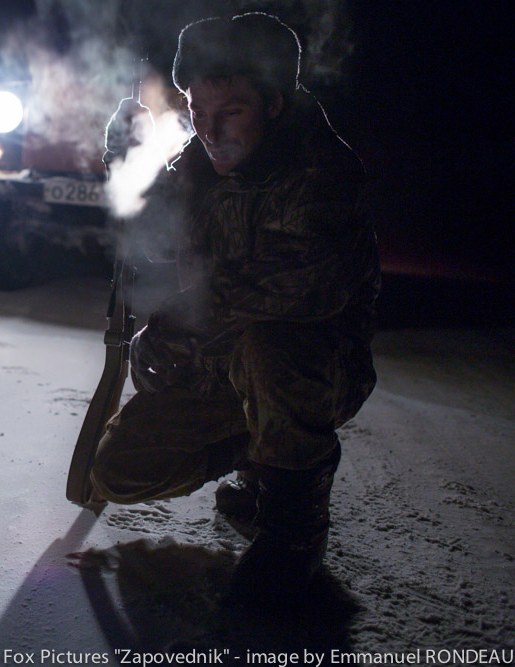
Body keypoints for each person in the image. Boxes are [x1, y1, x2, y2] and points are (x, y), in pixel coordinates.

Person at [91, 13, 380, 603]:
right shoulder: (202, 165)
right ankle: (258, 455)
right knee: (118, 472)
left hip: (312, 374)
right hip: (224, 365)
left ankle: (292, 535)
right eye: (198, 114)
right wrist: (125, 163)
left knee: (269, 345)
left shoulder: (319, 174)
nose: (211, 132)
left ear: (274, 104)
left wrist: (177, 324)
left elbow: (294, 290)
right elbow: (150, 235)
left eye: (231, 114)